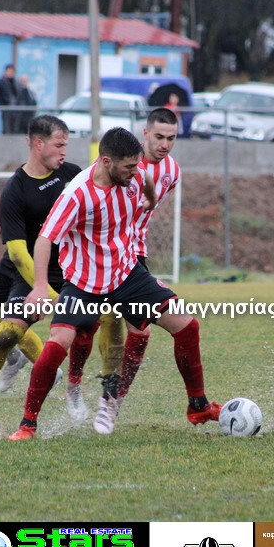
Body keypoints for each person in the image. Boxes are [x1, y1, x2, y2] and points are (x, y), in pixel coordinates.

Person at [9, 127, 221, 440]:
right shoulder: (77, 194)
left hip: (126, 274)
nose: (136, 171)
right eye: (129, 166)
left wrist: (150, 200)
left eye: (137, 165)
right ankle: (27, 425)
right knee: (58, 343)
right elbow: (44, 239)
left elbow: (146, 180)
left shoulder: (134, 173)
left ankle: (198, 407)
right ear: (107, 162)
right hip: (84, 283)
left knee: (187, 326)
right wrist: (40, 286)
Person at [0, 115, 81, 431]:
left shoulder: (71, 174)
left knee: (8, 332)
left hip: (54, 267)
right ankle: (17, 359)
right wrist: (46, 292)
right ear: (38, 144)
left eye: (65, 145)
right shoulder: (15, 188)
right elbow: (18, 253)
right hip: (22, 262)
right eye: (59, 145)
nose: (64, 151)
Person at [64, 108, 182, 433]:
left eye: (171, 138)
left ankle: (113, 398)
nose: (165, 144)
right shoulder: (119, 162)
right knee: (87, 325)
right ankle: (74, 385)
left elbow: (149, 200)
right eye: (159, 137)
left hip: (133, 253)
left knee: (139, 332)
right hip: (97, 253)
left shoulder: (172, 171)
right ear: (145, 134)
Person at [0, 64, 20, 135]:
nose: (10, 73)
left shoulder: (15, 82)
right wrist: (2, 105)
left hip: (15, 109)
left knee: (15, 126)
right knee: (6, 126)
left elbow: (18, 94)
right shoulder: (0, 82)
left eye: (11, 71)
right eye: (8, 71)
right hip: (6, 108)